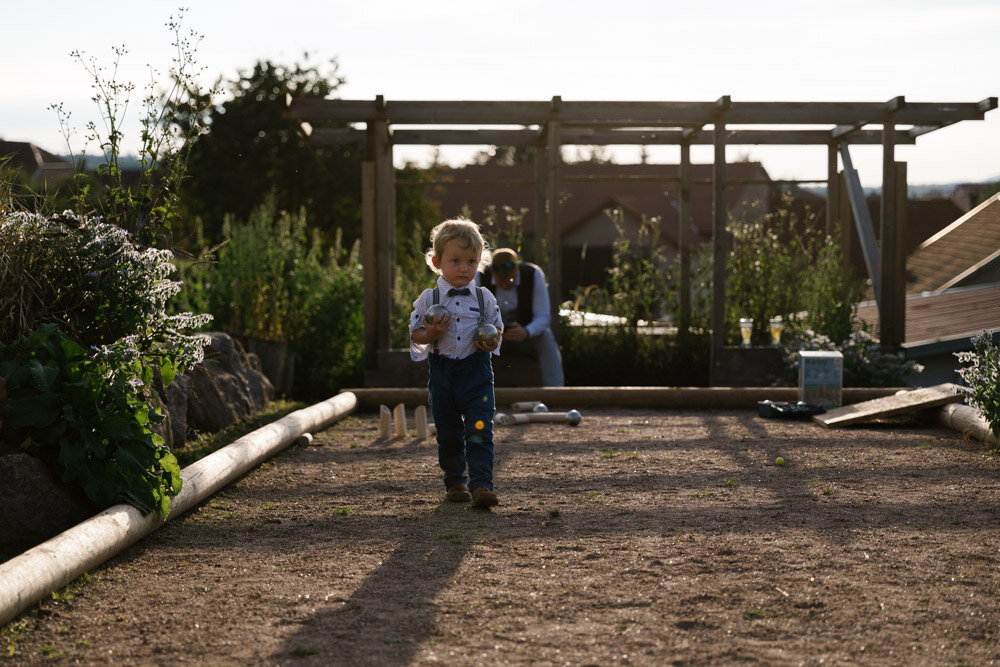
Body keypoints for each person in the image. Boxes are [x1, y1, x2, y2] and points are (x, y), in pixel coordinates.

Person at [410, 219, 504, 508]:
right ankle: (455, 483)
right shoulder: (430, 299)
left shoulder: (484, 297)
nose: (464, 268)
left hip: (476, 371)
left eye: (471, 261)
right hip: (443, 372)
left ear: (480, 262)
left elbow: (497, 331)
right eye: (456, 261)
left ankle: (482, 486)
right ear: (437, 262)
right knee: (449, 431)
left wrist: (490, 342)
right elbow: (416, 334)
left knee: (480, 428)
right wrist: (433, 333)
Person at [478, 248, 565, 387]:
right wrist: (493, 332)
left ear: (517, 268)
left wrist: (526, 331)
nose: (505, 286)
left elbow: (543, 316)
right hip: (491, 336)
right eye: (501, 283)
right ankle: (472, 391)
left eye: (509, 281)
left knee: (546, 337)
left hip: (525, 334)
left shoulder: (533, 274)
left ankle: (555, 390)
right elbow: (473, 315)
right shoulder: (480, 276)